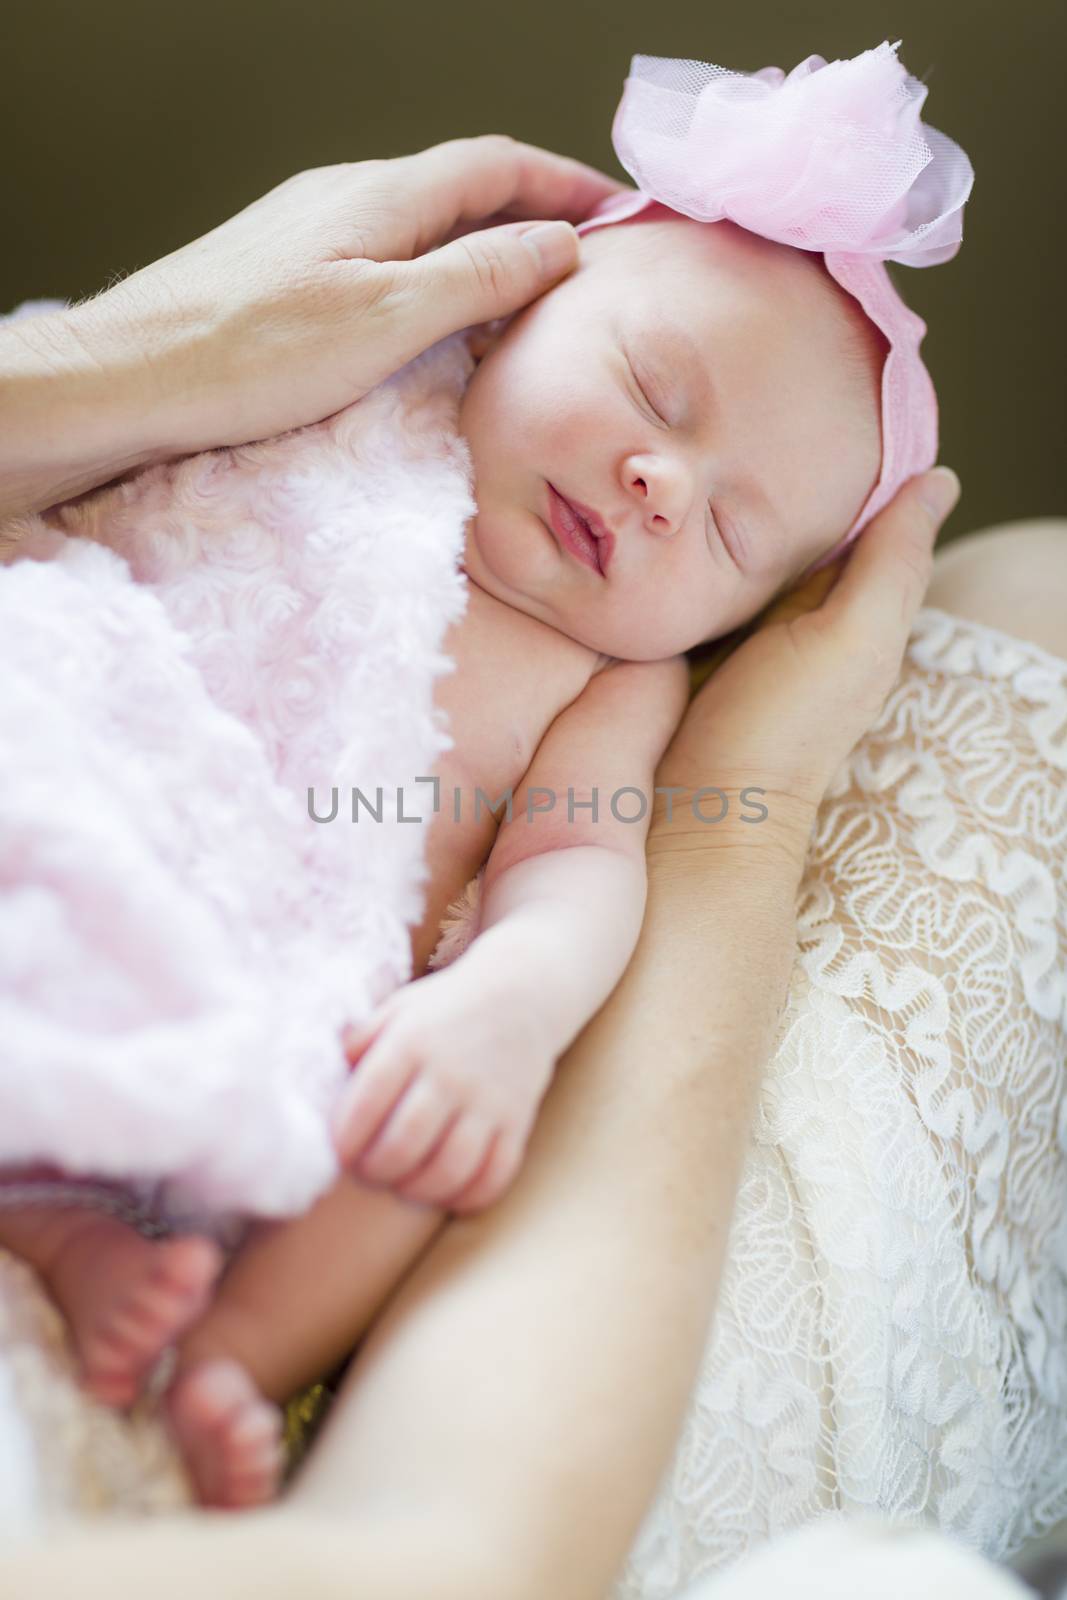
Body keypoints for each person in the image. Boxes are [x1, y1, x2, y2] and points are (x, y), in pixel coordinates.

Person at [1, 123, 1062, 1600]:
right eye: (652, 389)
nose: (658, 484)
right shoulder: (328, 386)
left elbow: (580, 862)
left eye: (735, 528)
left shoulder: (609, 683)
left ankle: (220, 1352)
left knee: (432, 1139)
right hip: (74, 763)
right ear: (506, 304)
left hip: (287, 976)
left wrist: (510, 998)